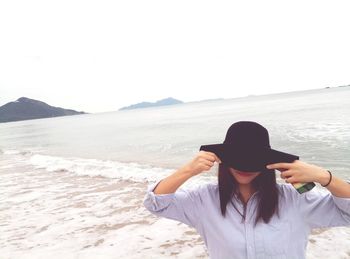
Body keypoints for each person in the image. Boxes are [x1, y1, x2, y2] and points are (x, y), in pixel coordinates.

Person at [143, 121, 350, 259]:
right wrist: (187, 170)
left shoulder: (295, 201)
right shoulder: (203, 200)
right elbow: (156, 203)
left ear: (268, 162)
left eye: (254, 159)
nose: (244, 168)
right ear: (223, 158)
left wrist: (325, 177)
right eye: (238, 158)